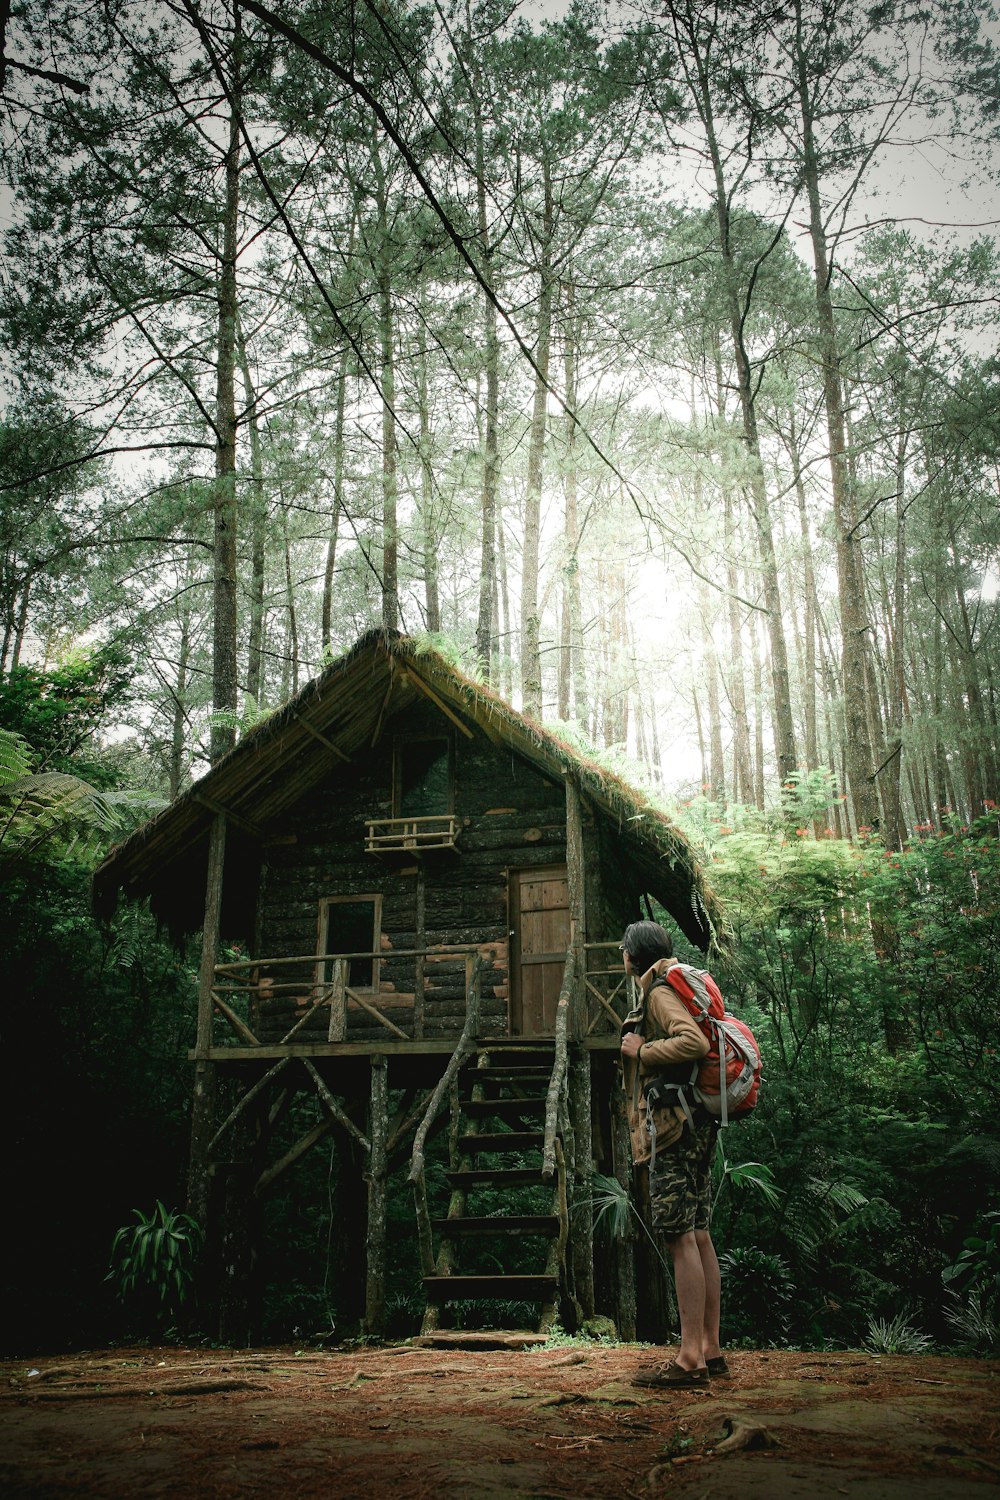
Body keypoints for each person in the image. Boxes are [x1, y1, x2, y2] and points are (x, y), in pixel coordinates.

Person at [619, 919, 729, 1388]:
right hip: (698, 1121)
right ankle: (709, 1348)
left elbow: (694, 1041)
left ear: (632, 956)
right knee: (699, 1232)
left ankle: (689, 1359)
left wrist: (642, 1051)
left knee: (679, 1235)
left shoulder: (660, 992)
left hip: (674, 1127)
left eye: (623, 950)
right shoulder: (681, 981)